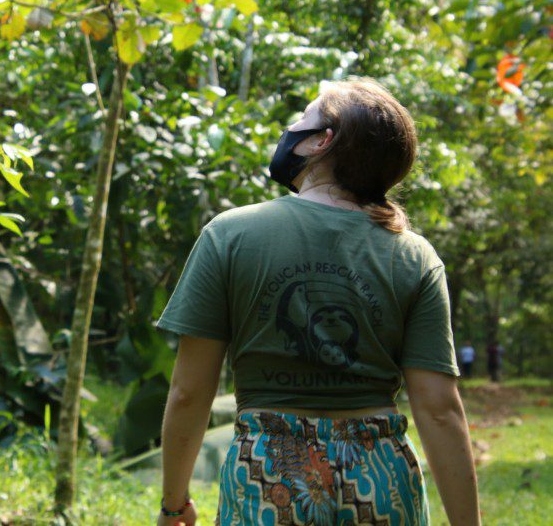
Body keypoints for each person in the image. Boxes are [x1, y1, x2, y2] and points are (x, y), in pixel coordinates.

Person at [153, 77, 481, 526]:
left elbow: (190, 393)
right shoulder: (412, 255)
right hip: (381, 475)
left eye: (301, 119)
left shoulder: (229, 235)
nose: (291, 129)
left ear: (321, 142)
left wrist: (175, 503)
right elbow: (439, 409)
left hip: (268, 472)